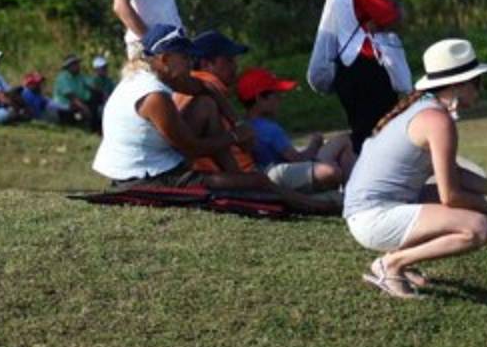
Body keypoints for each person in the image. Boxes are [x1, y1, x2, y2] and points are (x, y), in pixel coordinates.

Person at [343, 38, 487, 299]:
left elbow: (452, 173)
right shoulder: (438, 121)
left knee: (472, 207)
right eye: (478, 83)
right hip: (373, 218)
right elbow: (450, 195)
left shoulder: (425, 110)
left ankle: (396, 262)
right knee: (477, 227)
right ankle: (391, 265)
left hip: (368, 212)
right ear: (458, 85)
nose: (480, 89)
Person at [92, 24, 337, 215]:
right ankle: (314, 206)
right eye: (185, 57)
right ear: (165, 59)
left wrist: (236, 124)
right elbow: (191, 147)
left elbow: (205, 91)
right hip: (146, 180)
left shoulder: (144, 77)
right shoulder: (154, 96)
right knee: (259, 181)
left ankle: (239, 181)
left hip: (145, 169)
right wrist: (233, 136)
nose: (190, 63)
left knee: (206, 106)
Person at [312, 0, 411, 153]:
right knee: (376, 140)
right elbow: (393, 16)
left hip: (353, 70)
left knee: (368, 138)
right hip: (365, 70)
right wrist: (390, 15)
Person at [238, 67, 354, 194]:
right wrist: (314, 144)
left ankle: (349, 194)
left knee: (342, 147)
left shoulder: (244, 124)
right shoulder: (270, 129)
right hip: (281, 178)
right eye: (276, 94)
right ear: (259, 98)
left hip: (270, 175)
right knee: (344, 141)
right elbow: (297, 159)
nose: (280, 98)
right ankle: (352, 194)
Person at [173, 29, 257, 174]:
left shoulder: (184, 86)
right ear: (206, 64)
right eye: (229, 60)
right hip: (234, 174)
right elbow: (245, 142)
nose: (235, 66)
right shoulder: (209, 83)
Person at [53, 54, 100, 131]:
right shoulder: (63, 77)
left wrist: (102, 93)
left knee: (95, 100)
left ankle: (93, 127)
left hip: (78, 103)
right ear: (69, 66)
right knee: (80, 112)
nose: (78, 66)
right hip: (66, 105)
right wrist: (85, 108)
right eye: (75, 64)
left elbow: (92, 86)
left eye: (78, 63)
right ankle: (79, 126)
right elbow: (72, 97)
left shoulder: (79, 76)